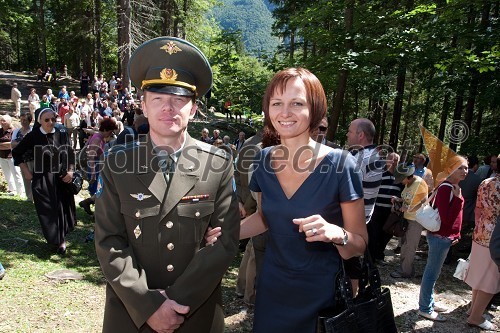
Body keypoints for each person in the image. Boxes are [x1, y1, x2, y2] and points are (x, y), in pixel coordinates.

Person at [94, 36, 240, 333]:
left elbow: (225, 243)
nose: (168, 108)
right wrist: (149, 306)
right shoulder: (118, 163)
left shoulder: (218, 164)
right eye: (158, 99)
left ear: (194, 109)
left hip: (194, 313)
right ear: (144, 107)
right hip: (131, 313)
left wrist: (174, 303)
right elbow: (109, 241)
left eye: (179, 99)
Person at [208, 68, 367, 332]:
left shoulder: (341, 164)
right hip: (273, 286)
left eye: (297, 103)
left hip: (322, 294)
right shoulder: (262, 159)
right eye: (277, 103)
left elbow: (359, 244)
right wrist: (227, 233)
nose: (285, 112)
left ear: (314, 109)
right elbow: (264, 217)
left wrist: (336, 233)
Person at [12, 108, 76, 254]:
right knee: (48, 209)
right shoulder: (33, 136)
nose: (50, 122)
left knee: (61, 208)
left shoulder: (61, 133)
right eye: (47, 120)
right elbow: (17, 153)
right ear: (39, 121)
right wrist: (26, 171)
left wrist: (71, 171)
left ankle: (61, 240)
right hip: (42, 179)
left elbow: (69, 152)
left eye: (53, 119)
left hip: (61, 177)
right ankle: (56, 239)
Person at [418, 155, 467, 322]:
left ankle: (429, 302)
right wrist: (459, 200)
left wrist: (457, 234)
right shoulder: (447, 188)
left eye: (466, 168)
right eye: (460, 167)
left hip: (444, 237)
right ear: (451, 169)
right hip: (440, 237)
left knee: (435, 272)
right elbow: (446, 218)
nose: (464, 171)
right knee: (431, 273)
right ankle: (424, 308)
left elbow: (455, 218)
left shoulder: (453, 187)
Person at [464, 167, 500, 330]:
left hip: (480, 232)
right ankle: (475, 317)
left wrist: (479, 226)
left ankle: (473, 310)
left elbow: (478, 209)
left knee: (479, 275)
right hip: (495, 237)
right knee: (490, 279)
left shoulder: (486, 182)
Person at [390, 167, 428, 278]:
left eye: (402, 179)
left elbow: (424, 202)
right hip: (407, 219)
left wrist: (409, 208)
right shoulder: (409, 183)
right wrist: (398, 199)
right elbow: (408, 198)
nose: (401, 182)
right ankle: (406, 269)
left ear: (408, 177)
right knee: (404, 245)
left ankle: (405, 272)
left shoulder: (419, 183)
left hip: (416, 220)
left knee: (410, 246)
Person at [0, 115, 25, 197]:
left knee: (16, 173)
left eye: (4, 121)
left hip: (12, 156)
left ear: (9, 121)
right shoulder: (0, 131)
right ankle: (12, 190)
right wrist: (8, 144)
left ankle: (21, 191)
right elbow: (9, 144)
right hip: (2, 156)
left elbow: (15, 144)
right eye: (1, 120)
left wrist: (6, 145)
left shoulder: (15, 131)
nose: (2, 122)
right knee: (7, 174)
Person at [11, 113, 34, 201]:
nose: (23, 122)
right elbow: (12, 144)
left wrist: (20, 144)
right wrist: (24, 144)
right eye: (21, 120)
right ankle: (29, 197)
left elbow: (33, 145)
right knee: (25, 177)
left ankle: (35, 196)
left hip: (32, 158)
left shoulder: (32, 131)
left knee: (34, 177)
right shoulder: (17, 131)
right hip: (21, 159)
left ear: (30, 121)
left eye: (25, 120)